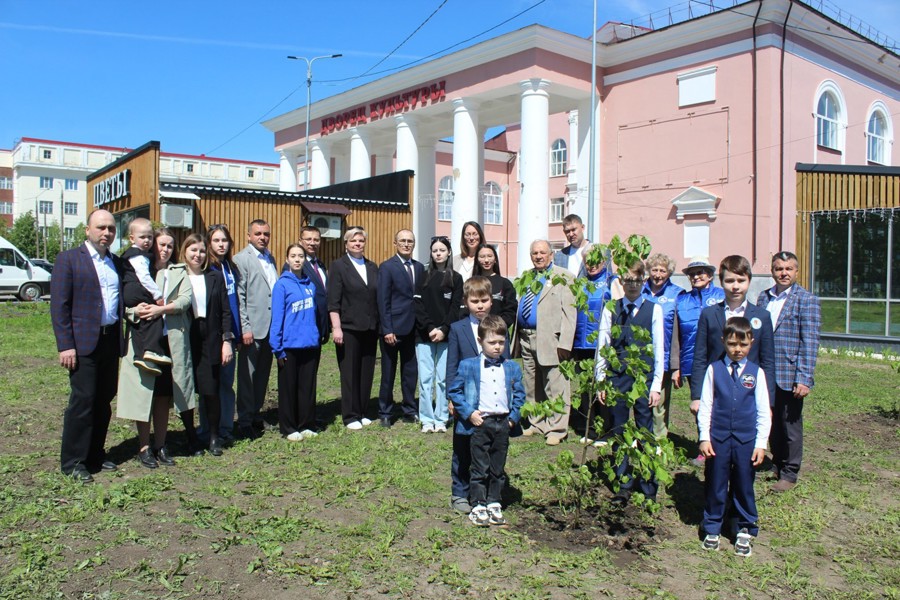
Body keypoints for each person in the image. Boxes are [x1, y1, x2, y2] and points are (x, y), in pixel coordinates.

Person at [51, 209, 124, 483]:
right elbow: (59, 307)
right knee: (82, 401)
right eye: (101, 227)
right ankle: (73, 461)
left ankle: (95, 453)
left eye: (111, 229)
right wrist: (65, 345)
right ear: (87, 229)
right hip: (82, 343)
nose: (106, 233)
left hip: (109, 341)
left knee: (104, 399)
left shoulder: (115, 263)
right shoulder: (69, 260)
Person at [116, 228, 194, 468]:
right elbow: (124, 302)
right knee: (143, 396)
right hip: (142, 344)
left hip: (170, 342)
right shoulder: (139, 267)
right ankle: (144, 446)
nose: (165, 249)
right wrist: (135, 312)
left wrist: (162, 309)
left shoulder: (179, 271)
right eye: (161, 244)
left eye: (170, 245)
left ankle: (161, 444)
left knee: (163, 396)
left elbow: (185, 300)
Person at [697, 317, 771, 557]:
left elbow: (763, 411)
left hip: (746, 441)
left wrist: (761, 443)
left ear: (751, 343)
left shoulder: (756, 373)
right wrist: (704, 437)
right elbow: (706, 405)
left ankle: (744, 528)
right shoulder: (714, 369)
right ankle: (712, 527)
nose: (737, 350)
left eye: (743, 345)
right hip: (718, 439)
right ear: (723, 343)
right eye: (732, 344)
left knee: (743, 484)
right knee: (716, 483)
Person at [594, 259, 665, 504]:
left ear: (644, 281)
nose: (632, 285)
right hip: (617, 379)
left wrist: (656, 385)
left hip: (643, 380)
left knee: (645, 432)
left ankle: (648, 485)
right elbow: (603, 345)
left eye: (637, 280)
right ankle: (622, 483)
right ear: (621, 282)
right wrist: (601, 379)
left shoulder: (653, 309)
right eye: (628, 280)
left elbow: (659, 349)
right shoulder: (611, 309)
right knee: (619, 430)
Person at [448, 315, 526, 527]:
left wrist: (513, 419)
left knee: (497, 466)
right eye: (492, 342)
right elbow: (455, 391)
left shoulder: (511, 367)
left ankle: (494, 502)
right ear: (480, 340)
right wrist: (469, 413)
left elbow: (520, 395)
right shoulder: (469, 365)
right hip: (480, 423)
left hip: (502, 423)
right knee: (479, 464)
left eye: (501, 342)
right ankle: (478, 503)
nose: (497, 347)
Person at [756, 251, 821, 492]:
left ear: (796, 271)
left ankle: (790, 473)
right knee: (770, 420)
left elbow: (810, 342)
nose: (783, 273)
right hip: (765, 372)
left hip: (790, 374)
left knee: (790, 424)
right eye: (778, 269)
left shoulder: (807, 300)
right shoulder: (764, 298)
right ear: (772, 271)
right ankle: (778, 462)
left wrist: (804, 378)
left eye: (788, 269)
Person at [690, 255, 776, 415]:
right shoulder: (709, 315)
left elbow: (768, 361)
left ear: (749, 281)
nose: (735, 286)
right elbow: (700, 357)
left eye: (741, 280)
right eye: (729, 281)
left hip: (750, 391)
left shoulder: (762, 316)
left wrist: (769, 402)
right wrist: (697, 396)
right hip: (716, 390)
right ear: (721, 282)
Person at [446, 276, 500, 513]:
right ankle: (459, 491)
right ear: (466, 302)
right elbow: (452, 365)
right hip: (466, 400)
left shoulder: (497, 327)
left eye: (484, 300)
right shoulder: (458, 329)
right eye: (474, 301)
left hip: (491, 400)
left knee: (488, 447)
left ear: (491, 301)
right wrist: (451, 397)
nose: (480, 305)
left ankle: (485, 491)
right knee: (463, 447)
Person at [516, 239, 576, 446]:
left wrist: (565, 344)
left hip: (552, 339)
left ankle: (557, 428)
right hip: (526, 337)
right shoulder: (528, 277)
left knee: (555, 384)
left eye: (542, 252)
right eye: (534, 253)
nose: (538, 256)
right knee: (532, 384)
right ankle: (536, 422)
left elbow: (570, 313)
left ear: (551, 254)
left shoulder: (564, 277)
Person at [183, 234, 234, 456]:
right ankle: (192, 438)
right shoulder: (177, 277)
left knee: (210, 389)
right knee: (185, 390)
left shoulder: (214, 277)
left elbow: (225, 312)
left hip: (210, 337)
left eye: (202, 251)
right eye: (193, 250)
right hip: (186, 337)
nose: (198, 254)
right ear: (185, 251)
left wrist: (226, 341)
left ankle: (213, 437)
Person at [328, 227, 379, 430]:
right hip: (348, 328)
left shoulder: (372, 266)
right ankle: (350, 415)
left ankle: (363, 410)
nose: (358, 244)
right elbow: (333, 301)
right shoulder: (339, 266)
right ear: (346, 244)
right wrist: (336, 327)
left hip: (370, 327)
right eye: (353, 241)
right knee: (350, 371)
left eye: (361, 240)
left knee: (366, 371)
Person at [270, 244, 320, 441]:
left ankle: (306, 424)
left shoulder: (310, 285)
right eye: (294, 256)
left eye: (301, 256)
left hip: (309, 345)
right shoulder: (281, 285)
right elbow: (277, 318)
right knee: (289, 389)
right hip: (288, 347)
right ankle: (289, 428)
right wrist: (277, 347)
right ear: (287, 259)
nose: (298, 259)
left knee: (307, 388)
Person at [233, 219, 277, 439]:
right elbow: (240, 296)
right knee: (247, 376)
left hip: (270, 328)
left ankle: (255, 413)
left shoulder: (271, 258)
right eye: (258, 233)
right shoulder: (241, 259)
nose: (262, 237)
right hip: (253, 327)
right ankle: (243, 419)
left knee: (262, 375)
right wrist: (245, 327)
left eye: (266, 234)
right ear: (248, 235)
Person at [414, 235, 464, 432]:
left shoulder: (456, 278)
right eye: (435, 250)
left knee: (443, 379)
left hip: (446, 336)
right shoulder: (423, 276)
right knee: (426, 379)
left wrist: (443, 329)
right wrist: (429, 328)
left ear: (449, 252)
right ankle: (427, 419)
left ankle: (442, 418)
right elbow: (418, 305)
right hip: (424, 336)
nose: (438, 253)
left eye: (442, 250)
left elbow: (455, 309)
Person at [376, 229, 425, 426]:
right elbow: (383, 300)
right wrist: (387, 329)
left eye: (410, 241)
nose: (406, 244)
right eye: (403, 241)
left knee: (410, 372)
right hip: (393, 328)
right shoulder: (387, 267)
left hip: (413, 329)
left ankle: (409, 409)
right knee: (388, 372)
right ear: (395, 243)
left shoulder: (420, 267)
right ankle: (385, 412)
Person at [571, 245, 618, 444]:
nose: (590, 265)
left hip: (602, 345)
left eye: (595, 261)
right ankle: (588, 429)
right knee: (585, 389)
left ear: (604, 261)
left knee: (602, 388)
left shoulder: (612, 282)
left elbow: (618, 309)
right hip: (582, 344)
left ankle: (605, 429)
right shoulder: (580, 283)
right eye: (587, 261)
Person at [200, 224, 242, 445]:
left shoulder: (230, 267)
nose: (221, 244)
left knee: (226, 384)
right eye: (216, 240)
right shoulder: (208, 269)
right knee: (209, 385)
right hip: (212, 336)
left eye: (224, 240)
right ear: (209, 243)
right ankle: (207, 428)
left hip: (231, 335)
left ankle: (225, 427)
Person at [119, 217, 171, 375]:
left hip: (129, 292)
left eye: (149, 237)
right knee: (153, 313)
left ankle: (140, 356)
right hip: (136, 289)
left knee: (140, 322)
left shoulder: (133, 254)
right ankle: (152, 350)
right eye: (142, 237)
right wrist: (157, 295)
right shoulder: (139, 256)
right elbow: (144, 277)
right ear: (131, 238)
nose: (147, 240)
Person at [641, 253, 684, 440]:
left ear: (669, 273)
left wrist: (676, 365)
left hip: (664, 356)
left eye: (662, 270)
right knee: (640, 399)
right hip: (640, 355)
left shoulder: (677, 294)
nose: (658, 274)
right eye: (654, 270)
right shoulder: (639, 291)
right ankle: (640, 436)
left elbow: (678, 330)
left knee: (659, 401)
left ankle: (658, 439)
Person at [671, 257, 724, 391]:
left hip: (720, 360)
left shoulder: (722, 296)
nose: (696, 276)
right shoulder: (681, 300)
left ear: (710, 276)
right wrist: (676, 367)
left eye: (700, 272)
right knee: (698, 404)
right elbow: (676, 337)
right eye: (692, 274)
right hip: (692, 362)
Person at [472, 244, 517, 328]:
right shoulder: (471, 283)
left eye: (490, 256)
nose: (486, 260)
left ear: (495, 259)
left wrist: (496, 327)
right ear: (477, 260)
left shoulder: (505, 283)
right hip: (475, 330)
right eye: (482, 257)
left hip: (498, 331)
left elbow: (510, 311)